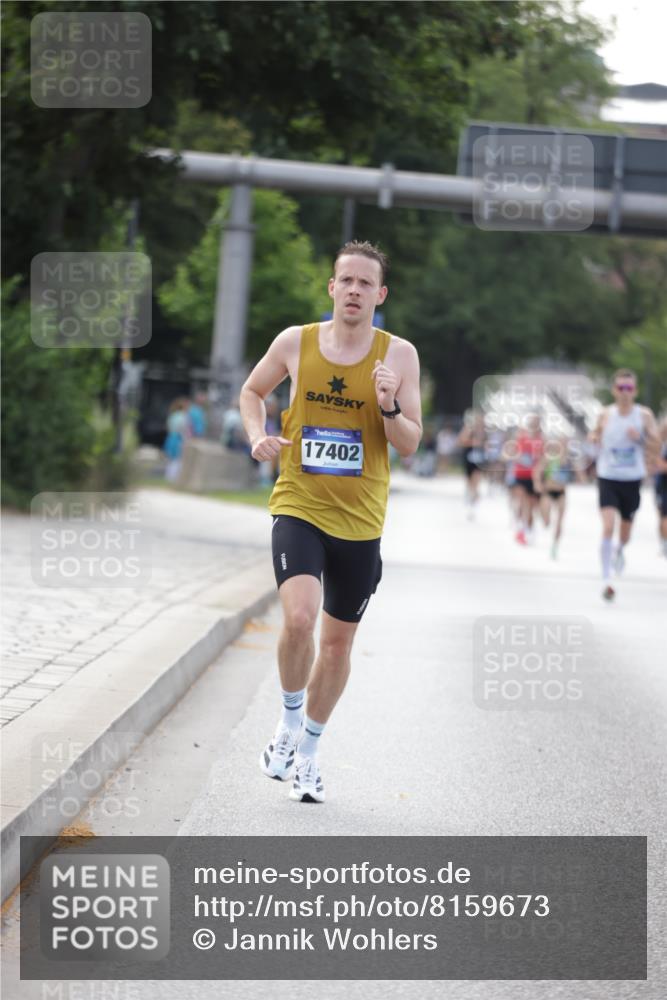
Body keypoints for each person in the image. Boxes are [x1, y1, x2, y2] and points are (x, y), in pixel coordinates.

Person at [239, 240, 422, 803]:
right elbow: (252, 391)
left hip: (361, 522)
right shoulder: (296, 342)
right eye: (346, 280)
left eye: (366, 284)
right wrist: (257, 436)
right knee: (298, 618)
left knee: (338, 648)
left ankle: (310, 754)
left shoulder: (400, 356)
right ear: (331, 287)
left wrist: (390, 406)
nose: (354, 291)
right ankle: (289, 722)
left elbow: (411, 443)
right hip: (299, 504)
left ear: (380, 295)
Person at [590, 369, 659, 601]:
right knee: (608, 525)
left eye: (629, 388)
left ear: (635, 391)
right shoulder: (605, 414)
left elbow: (656, 445)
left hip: (632, 479)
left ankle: (619, 550)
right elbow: (594, 435)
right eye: (621, 388)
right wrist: (593, 438)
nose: (625, 393)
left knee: (625, 533)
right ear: (614, 391)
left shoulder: (644, 416)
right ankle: (606, 579)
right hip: (608, 476)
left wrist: (639, 438)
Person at [533, 436, 573, 559]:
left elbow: (577, 473)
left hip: (561, 493)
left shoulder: (568, 460)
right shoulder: (548, 458)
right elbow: (537, 471)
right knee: (547, 522)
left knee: (560, 521)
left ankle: (555, 545)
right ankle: (542, 516)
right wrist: (538, 483)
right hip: (548, 492)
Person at [509, 414, 544, 545]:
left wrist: (538, 471)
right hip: (520, 474)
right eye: (532, 422)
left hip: (533, 477)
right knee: (523, 502)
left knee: (531, 506)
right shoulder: (521, 437)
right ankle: (521, 530)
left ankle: (528, 528)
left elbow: (542, 458)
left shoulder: (541, 440)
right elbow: (512, 452)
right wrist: (519, 458)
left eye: (536, 422)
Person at [457, 410, 486, 519]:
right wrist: (473, 442)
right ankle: (471, 498)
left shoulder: (485, 431)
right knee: (470, 483)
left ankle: (473, 504)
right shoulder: (469, 429)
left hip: (479, 460)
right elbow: (460, 441)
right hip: (468, 458)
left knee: (476, 481)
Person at [163, 398, 190, 483]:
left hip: (170, 437)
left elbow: (168, 427)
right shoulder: (183, 416)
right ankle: (173, 478)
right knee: (177, 459)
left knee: (170, 458)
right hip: (178, 438)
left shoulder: (173, 415)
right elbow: (183, 429)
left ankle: (168, 476)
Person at [653, 414, 667, 558]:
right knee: (662, 515)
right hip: (661, 485)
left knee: (664, 516)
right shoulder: (659, 445)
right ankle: (663, 542)